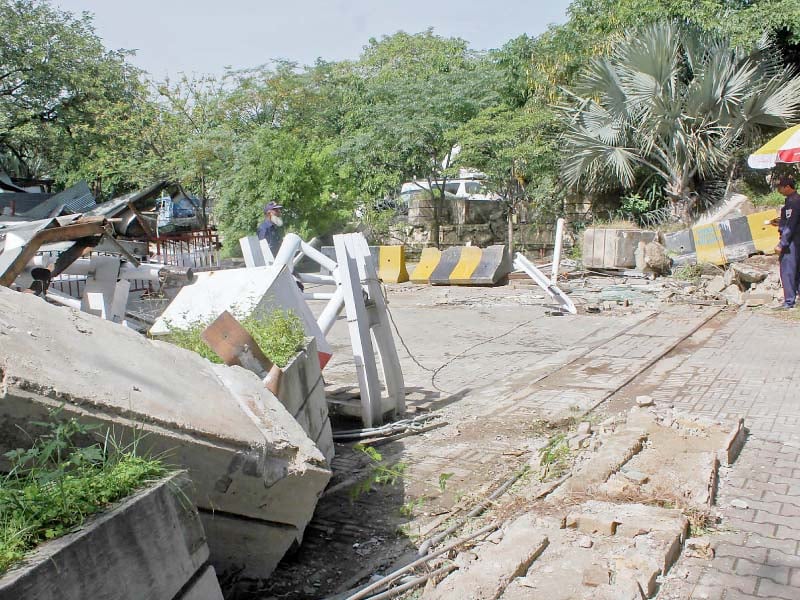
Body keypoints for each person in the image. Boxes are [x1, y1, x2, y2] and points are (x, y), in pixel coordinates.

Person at [773, 175, 800, 310]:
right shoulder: (793, 200)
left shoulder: (794, 202)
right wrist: (779, 222)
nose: (779, 189)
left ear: (788, 187)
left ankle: (789, 301)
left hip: (791, 243)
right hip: (795, 240)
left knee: (787, 271)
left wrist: (782, 244)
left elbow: (791, 225)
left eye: (780, 187)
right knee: (796, 271)